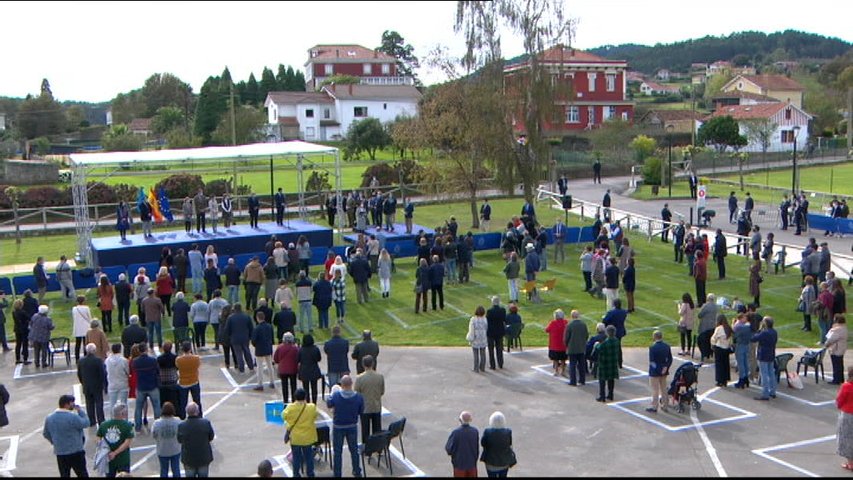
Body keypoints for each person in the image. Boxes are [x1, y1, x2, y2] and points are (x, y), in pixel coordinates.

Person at [43, 394, 91, 477]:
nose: (74, 405)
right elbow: (86, 423)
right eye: (72, 403)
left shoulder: (50, 418)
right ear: (66, 404)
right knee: (82, 473)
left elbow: (46, 433)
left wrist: (54, 442)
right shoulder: (72, 417)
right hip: (76, 451)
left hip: (60, 452)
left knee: (64, 474)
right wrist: (80, 411)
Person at [326, 375, 364, 478]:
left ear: (341, 385)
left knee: (337, 452)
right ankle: (357, 471)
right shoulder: (359, 397)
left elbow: (329, 404)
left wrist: (331, 395)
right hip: (352, 426)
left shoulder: (336, 396)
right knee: (354, 450)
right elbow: (361, 411)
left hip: (338, 426)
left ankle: (337, 474)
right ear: (351, 384)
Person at [283, 387, 318, 478]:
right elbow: (315, 416)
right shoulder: (311, 407)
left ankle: (296, 474)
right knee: (309, 458)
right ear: (305, 397)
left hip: (295, 438)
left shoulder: (290, 408)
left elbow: (283, 416)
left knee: (296, 458)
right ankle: (310, 474)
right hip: (307, 438)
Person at [178, 402, 215, 478]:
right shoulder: (205, 423)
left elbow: (179, 440)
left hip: (188, 458)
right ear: (197, 411)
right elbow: (211, 437)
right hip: (203, 457)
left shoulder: (182, 426)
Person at [97, 403, 135, 477]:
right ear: (122, 413)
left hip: (108, 458)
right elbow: (127, 442)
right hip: (122, 459)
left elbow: (98, 439)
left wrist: (105, 450)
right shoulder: (127, 425)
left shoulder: (104, 425)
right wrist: (115, 453)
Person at [354, 355, 384, 444]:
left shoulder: (359, 378)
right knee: (377, 430)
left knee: (365, 431)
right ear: (373, 363)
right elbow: (382, 391)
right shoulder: (380, 376)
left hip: (365, 408)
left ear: (363, 365)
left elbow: (357, 394)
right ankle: (378, 448)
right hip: (376, 406)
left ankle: (367, 449)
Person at [133, 342, 162, 432]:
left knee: (138, 408)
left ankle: (138, 426)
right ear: (146, 349)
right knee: (156, 406)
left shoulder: (135, 362)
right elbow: (158, 372)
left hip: (141, 386)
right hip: (152, 385)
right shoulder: (153, 360)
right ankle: (157, 426)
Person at [77, 343, 106, 426]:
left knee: (89, 404)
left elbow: (79, 374)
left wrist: (83, 382)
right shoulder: (98, 360)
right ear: (94, 350)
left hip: (87, 386)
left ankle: (91, 420)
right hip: (97, 386)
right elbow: (102, 373)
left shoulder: (81, 361)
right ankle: (101, 420)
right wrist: (103, 384)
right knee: (99, 403)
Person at [480, 411, 515, 477]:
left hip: (490, 462)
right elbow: (509, 443)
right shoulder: (508, 432)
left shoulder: (487, 432)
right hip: (504, 462)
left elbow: (483, 443)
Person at [445, 411, 479, 477]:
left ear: (460, 420)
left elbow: (449, 448)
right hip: (471, 463)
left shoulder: (456, 433)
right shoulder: (475, 431)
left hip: (459, 464)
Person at [152, 401, 182, 478]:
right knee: (176, 469)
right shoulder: (178, 421)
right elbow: (181, 433)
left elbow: (154, 435)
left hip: (162, 450)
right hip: (175, 449)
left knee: (164, 470)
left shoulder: (157, 423)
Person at [752, 316, 778, 401]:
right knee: (771, 374)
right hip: (771, 354)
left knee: (764, 375)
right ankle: (772, 392)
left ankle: (765, 394)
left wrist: (760, 330)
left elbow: (754, 338)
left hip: (763, 355)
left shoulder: (764, 333)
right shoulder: (774, 332)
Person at [646, 330, 672, 413]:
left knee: (655, 389)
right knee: (664, 388)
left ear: (654, 337)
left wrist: (658, 370)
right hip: (664, 371)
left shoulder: (652, 348)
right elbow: (670, 359)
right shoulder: (667, 346)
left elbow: (652, 361)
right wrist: (665, 367)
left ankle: (654, 406)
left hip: (655, 372)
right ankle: (665, 405)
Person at [176, 340, 203, 419]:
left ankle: (182, 416)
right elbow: (197, 366)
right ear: (190, 349)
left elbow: (177, 367)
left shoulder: (178, 359)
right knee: (197, 401)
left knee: (183, 402)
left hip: (183, 383)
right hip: (194, 381)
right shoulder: (196, 358)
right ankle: (199, 416)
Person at [594, 325, 621, 403]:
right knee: (611, 379)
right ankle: (610, 394)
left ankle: (602, 396)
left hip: (604, 363)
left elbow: (599, 349)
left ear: (607, 332)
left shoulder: (605, 342)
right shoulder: (616, 341)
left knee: (602, 380)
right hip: (613, 363)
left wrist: (596, 345)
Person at [225, 304, 254, 374]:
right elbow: (251, 327)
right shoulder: (247, 316)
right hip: (245, 337)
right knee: (247, 352)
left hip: (235, 338)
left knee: (238, 354)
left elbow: (227, 329)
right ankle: (251, 366)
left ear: (234, 309)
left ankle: (241, 368)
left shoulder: (230, 318)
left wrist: (229, 336)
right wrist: (250, 336)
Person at [564, 309, 589, 386]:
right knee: (581, 365)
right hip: (581, 348)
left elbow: (566, 338)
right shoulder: (583, 324)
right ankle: (582, 380)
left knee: (572, 365)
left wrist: (567, 345)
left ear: (572, 316)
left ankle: (573, 381)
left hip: (572, 348)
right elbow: (586, 335)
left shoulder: (569, 325)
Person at [105, 343, 130, 419]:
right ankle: (125, 420)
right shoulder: (124, 360)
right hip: (123, 383)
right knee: (124, 404)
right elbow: (127, 372)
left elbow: (106, 371)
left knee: (112, 404)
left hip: (112, 384)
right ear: (120, 350)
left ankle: (113, 420)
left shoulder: (107, 360)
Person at [274, 332, 299, 403]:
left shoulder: (279, 347)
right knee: (293, 386)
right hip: (293, 369)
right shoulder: (295, 348)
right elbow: (298, 358)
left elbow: (276, 359)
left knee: (284, 386)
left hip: (282, 370)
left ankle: (285, 401)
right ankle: (294, 401)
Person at [298, 334, 322, 404]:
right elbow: (319, 359)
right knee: (314, 388)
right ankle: (314, 403)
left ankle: (307, 402)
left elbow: (298, 359)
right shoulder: (315, 349)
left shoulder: (301, 350)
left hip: (304, 371)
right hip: (314, 370)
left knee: (305, 389)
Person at [837, 366, 853, 471]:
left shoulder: (846, 386)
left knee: (847, 438)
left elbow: (839, 400)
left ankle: (851, 463)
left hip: (848, 415)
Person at [545, 309, 569, 377]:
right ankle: (563, 371)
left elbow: (547, 330)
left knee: (555, 359)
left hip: (554, 345)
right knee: (563, 359)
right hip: (563, 345)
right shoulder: (566, 322)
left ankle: (556, 371)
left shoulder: (553, 323)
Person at [30, 304, 55, 368]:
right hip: (44, 337)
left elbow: (31, 324)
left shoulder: (34, 316)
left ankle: (37, 362)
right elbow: (51, 327)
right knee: (44, 350)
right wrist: (53, 325)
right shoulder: (47, 319)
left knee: (36, 350)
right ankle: (43, 363)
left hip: (35, 336)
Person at [826, 315, 848, 385]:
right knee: (840, 364)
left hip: (836, 349)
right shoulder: (844, 328)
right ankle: (840, 379)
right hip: (841, 348)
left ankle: (836, 380)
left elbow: (831, 339)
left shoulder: (837, 329)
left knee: (836, 365)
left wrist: (827, 344)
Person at [732, 313, 752, 389]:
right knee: (745, 362)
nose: (746, 319)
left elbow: (734, 335)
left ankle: (742, 379)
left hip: (740, 345)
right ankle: (746, 378)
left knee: (741, 364)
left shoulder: (739, 327)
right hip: (746, 345)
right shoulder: (747, 326)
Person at [712, 315, 733, 387]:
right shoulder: (728, 328)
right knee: (725, 365)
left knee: (719, 365)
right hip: (726, 348)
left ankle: (719, 380)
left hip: (719, 348)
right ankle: (725, 380)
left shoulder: (719, 328)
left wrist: (713, 345)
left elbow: (714, 338)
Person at [71, 295, 94, 363]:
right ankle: (86, 356)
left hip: (77, 328)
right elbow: (89, 317)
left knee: (77, 344)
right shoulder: (86, 308)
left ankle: (77, 358)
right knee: (85, 343)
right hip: (85, 328)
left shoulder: (74, 309)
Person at [467, 305, 488, 373]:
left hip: (476, 338)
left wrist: (470, 337)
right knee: (483, 354)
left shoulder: (473, 319)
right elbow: (486, 328)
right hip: (483, 338)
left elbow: (471, 330)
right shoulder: (485, 319)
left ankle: (476, 368)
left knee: (476, 354)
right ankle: (482, 367)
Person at [12, 299, 30, 364]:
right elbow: (29, 318)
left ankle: (18, 358)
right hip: (24, 329)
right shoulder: (23, 312)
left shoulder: (14, 312)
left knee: (18, 344)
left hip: (17, 329)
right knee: (25, 344)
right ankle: (25, 359)